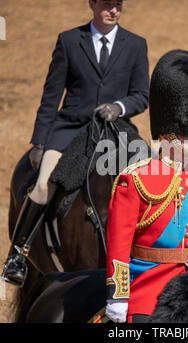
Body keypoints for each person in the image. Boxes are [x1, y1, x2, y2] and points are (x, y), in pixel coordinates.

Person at [2, 0, 149, 286]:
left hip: (115, 129)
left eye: (118, 5)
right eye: (106, 4)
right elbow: (51, 95)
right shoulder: (69, 41)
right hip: (70, 129)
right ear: (92, 4)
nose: (113, 11)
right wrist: (39, 142)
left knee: (151, 178)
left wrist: (118, 107)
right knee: (44, 183)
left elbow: (141, 95)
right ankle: (17, 256)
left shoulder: (135, 44)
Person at [104, 50, 188, 323]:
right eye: (187, 136)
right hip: (151, 282)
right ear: (167, 137)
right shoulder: (134, 180)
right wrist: (118, 295)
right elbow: (118, 244)